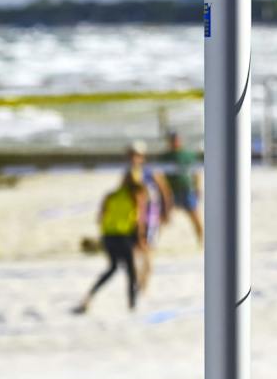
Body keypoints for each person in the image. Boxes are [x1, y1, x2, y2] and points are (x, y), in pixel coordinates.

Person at [75, 173, 144, 313]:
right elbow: (137, 221)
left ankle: (90, 296)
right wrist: (140, 239)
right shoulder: (135, 197)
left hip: (108, 237)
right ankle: (132, 305)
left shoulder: (110, 196)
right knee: (131, 271)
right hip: (124, 237)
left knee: (112, 268)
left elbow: (100, 218)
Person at [126, 141, 172, 294]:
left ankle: (144, 285)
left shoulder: (151, 171)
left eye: (136, 155)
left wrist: (166, 212)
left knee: (148, 250)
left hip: (151, 215)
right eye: (131, 155)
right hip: (134, 216)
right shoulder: (129, 173)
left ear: (143, 156)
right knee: (135, 250)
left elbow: (165, 192)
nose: (133, 158)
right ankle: (140, 283)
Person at [162, 130, 204, 245]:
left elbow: (196, 172)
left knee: (195, 216)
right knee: (163, 216)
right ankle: (152, 242)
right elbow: (161, 174)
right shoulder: (165, 156)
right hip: (171, 191)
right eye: (172, 140)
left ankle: (201, 240)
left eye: (176, 139)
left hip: (186, 189)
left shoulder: (188, 155)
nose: (175, 142)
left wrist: (197, 187)